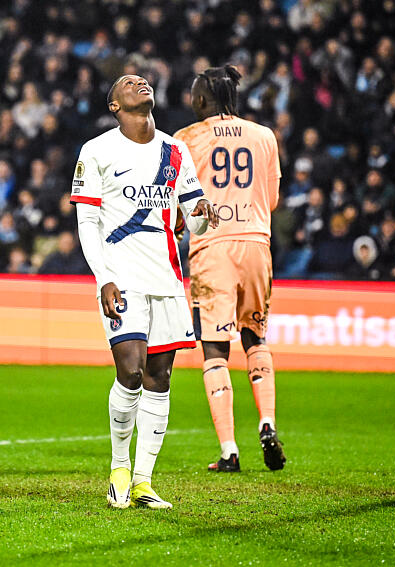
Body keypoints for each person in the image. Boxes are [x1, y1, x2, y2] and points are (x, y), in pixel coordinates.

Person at [72, 75, 218, 509]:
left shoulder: (175, 150)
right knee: (131, 370)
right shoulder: (96, 151)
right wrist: (103, 277)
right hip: (122, 275)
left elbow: (194, 220)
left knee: (160, 379)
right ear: (114, 105)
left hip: (167, 279)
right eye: (127, 83)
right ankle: (119, 467)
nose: (139, 82)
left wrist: (204, 216)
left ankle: (143, 481)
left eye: (143, 80)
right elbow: (87, 222)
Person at [174, 65, 286, 473]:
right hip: (257, 243)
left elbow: (177, 203)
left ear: (203, 99)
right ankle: (268, 422)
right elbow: (271, 199)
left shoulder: (186, 139)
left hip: (212, 247)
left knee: (215, 352)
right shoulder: (264, 136)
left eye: (192, 94)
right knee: (255, 336)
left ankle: (228, 450)